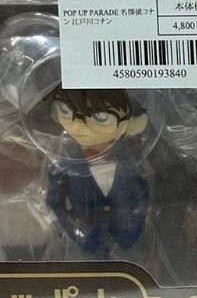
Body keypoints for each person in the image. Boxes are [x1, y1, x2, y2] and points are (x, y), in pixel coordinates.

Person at [45, 86, 149, 257]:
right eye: (66, 111)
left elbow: (141, 196)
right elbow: (54, 203)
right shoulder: (65, 166)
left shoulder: (130, 163)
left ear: (133, 124)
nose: (79, 126)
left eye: (101, 117)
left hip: (126, 239)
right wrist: (72, 227)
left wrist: (135, 222)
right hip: (84, 241)